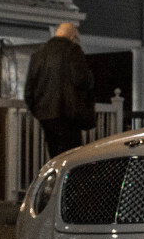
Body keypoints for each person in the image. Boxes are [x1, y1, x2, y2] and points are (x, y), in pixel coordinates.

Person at [23, 22, 95, 158]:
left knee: (54, 155)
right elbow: (82, 80)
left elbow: (29, 88)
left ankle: (57, 178)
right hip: (68, 115)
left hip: (46, 116)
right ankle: (68, 179)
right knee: (72, 156)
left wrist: (37, 110)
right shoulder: (73, 51)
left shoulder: (39, 54)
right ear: (73, 37)